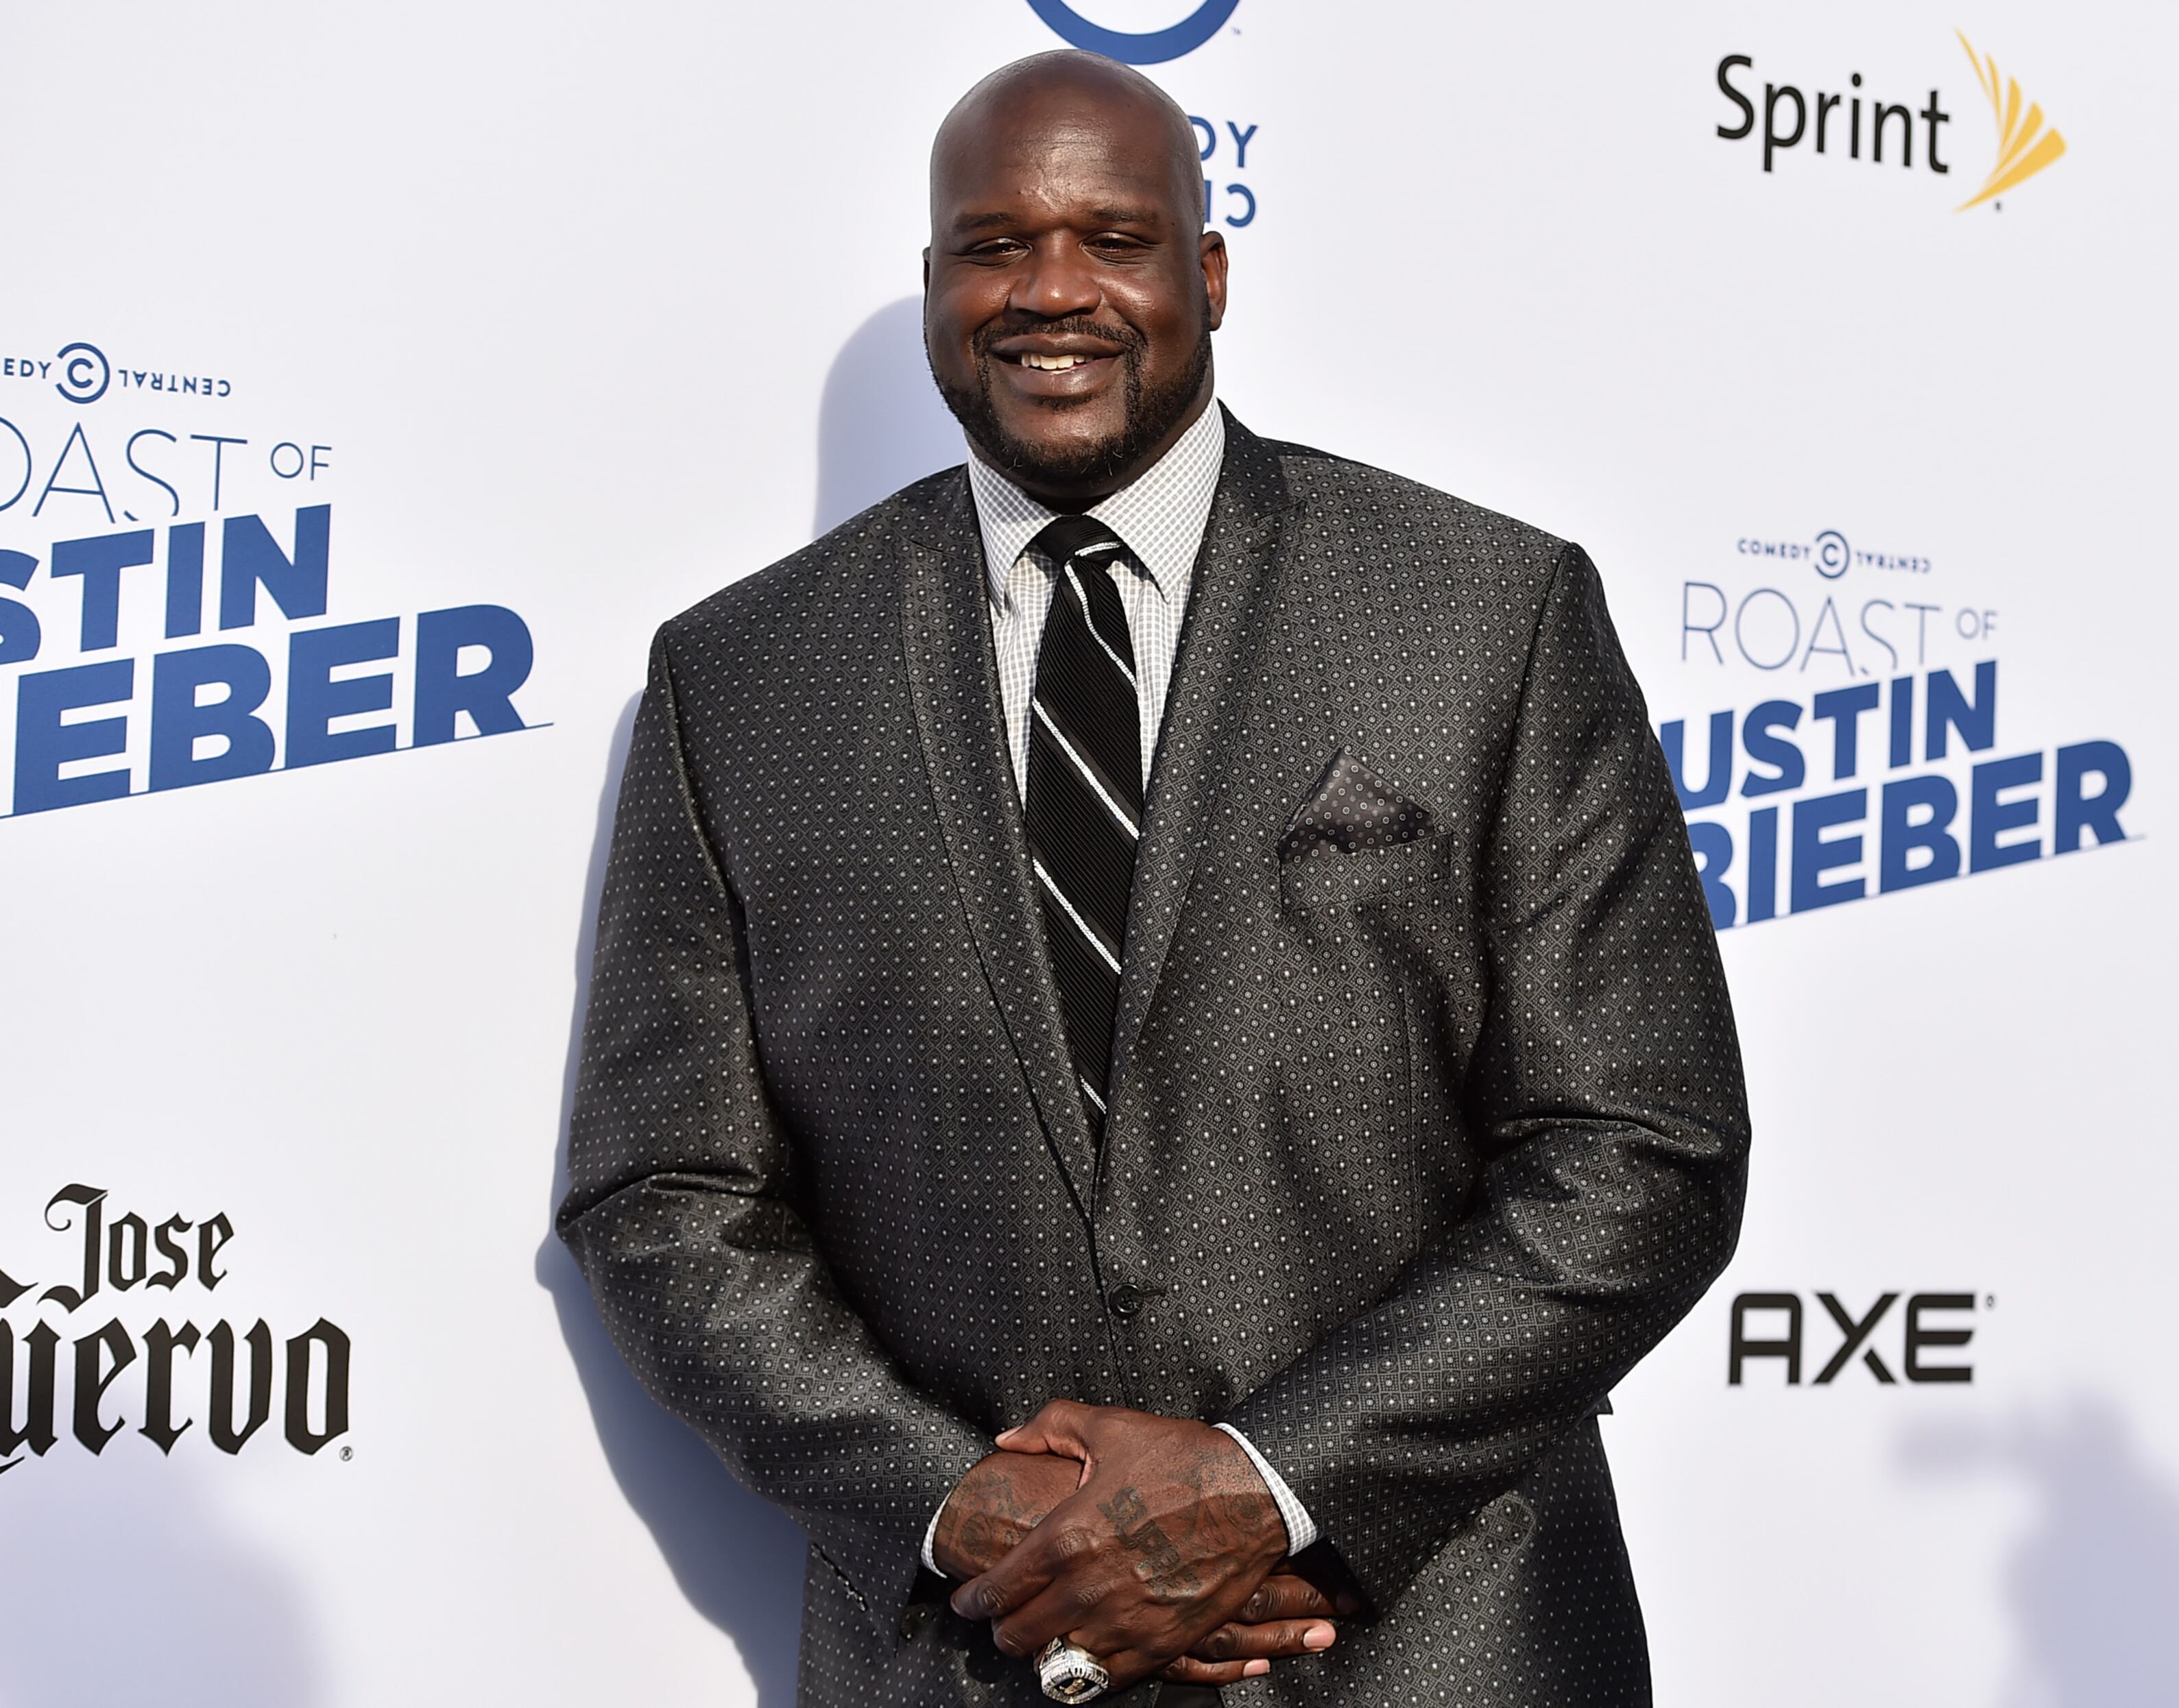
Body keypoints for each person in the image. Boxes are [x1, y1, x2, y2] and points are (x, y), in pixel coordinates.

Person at [560, 49, 1748, 1708]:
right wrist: (957, 1507)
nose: (1052, 290)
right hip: (976, 1651)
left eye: (1113, 239)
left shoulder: (1485, 615)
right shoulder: (747, 677)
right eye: (993, 246)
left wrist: (1268, 1484)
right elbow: (661, 1192)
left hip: (1435, 1645)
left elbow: (1644, 1144)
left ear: (1209, 271)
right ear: (933, 285)